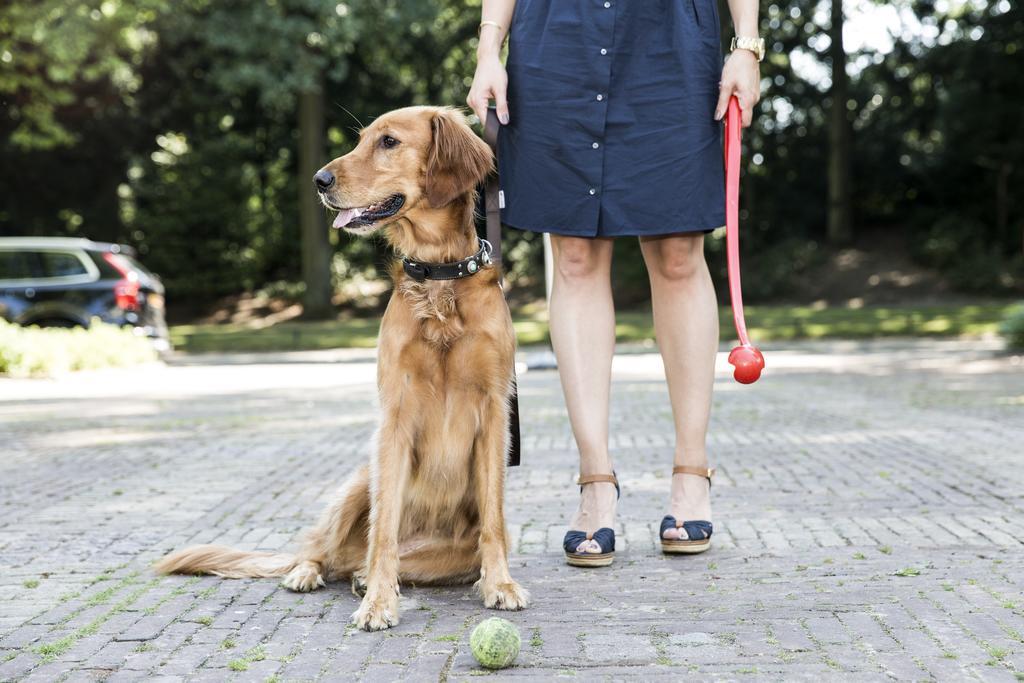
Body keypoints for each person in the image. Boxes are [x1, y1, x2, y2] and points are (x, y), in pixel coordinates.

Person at [467, 0, 762, 566]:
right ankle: (595, 483)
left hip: (673, 41)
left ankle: (691, 474)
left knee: (678, 250)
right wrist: (489, 49)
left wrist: (746, 45)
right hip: (558, 43)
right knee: (574, 254)